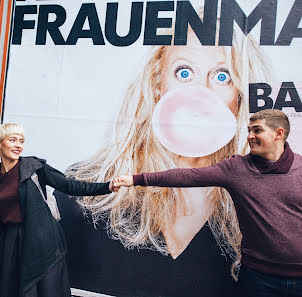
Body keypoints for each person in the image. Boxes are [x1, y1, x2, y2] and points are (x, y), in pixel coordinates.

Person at [58, 18, 270, 296]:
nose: (200, 94)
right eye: (184, 73)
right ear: (158, 83)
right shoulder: (84, 193)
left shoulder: (265, 210)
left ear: (240, 95)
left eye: (222, 76)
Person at [113, 109, 302, 297]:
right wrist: (136, 179)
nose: (250, 136)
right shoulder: (236, 168)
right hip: (258, 278)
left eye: (257, 130)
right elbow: (187, 176)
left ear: (279, 134)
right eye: (249, 131)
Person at [0, 123, 114, 297]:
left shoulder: (33, 168)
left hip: (40, 241)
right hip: (9, 244)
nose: (18, 145)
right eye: (13, 140)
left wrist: (107, 186)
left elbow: (69, 185)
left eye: (21, 141)